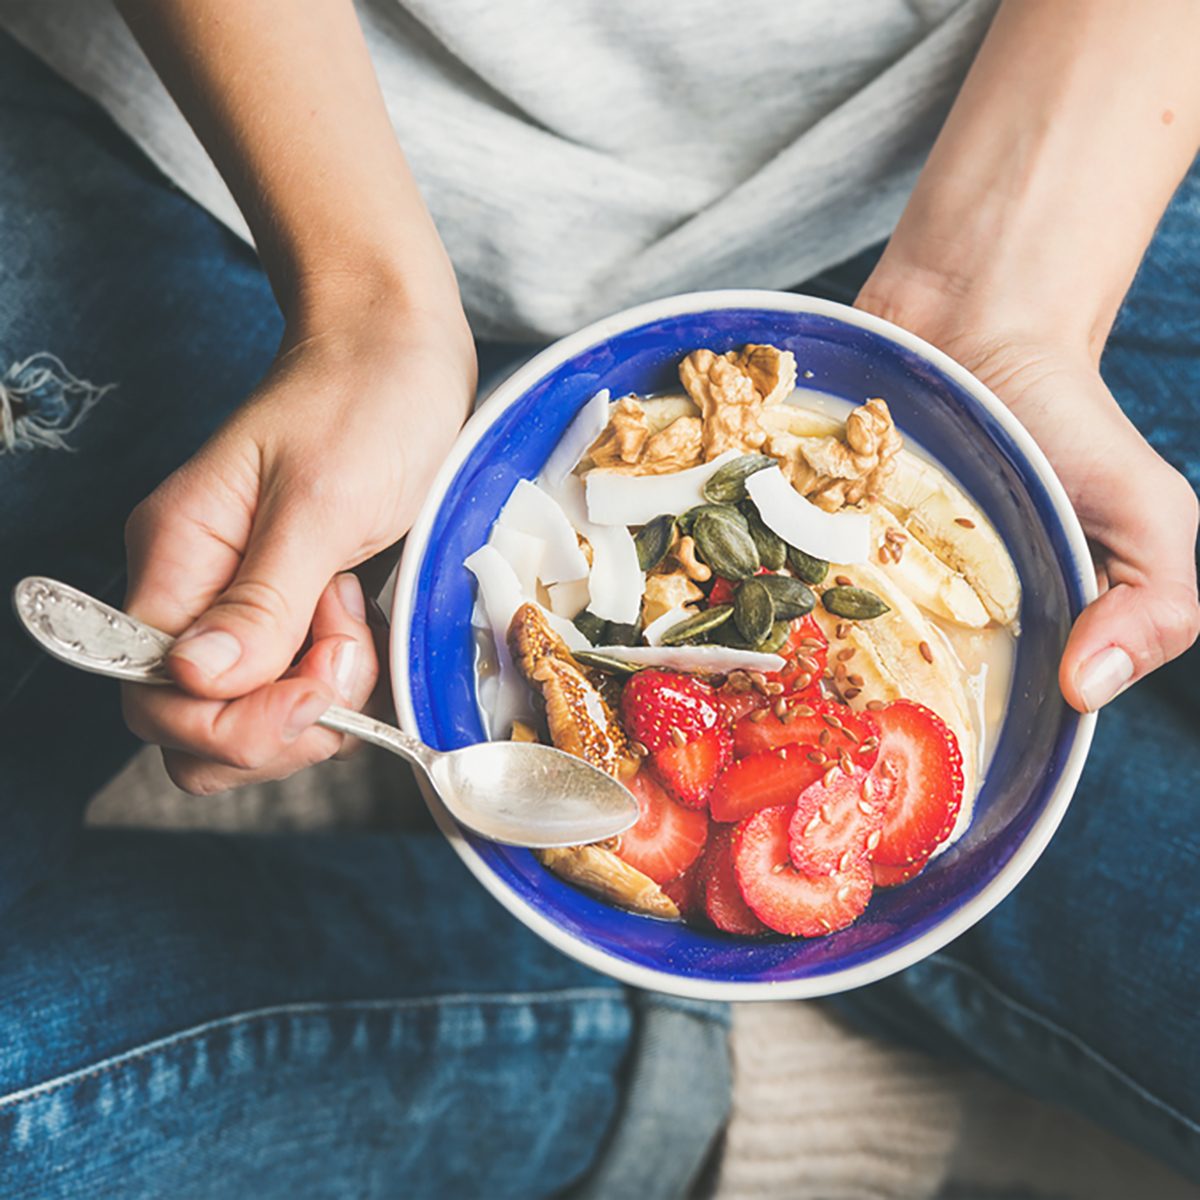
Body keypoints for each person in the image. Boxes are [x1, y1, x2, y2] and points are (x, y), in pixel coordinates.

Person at [0, 0, 1196, 1194]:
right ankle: (636, 1055)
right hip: (270, 149)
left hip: (1010, 137)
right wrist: (368, 311)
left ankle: (683, 1038)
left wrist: (1005, 298)